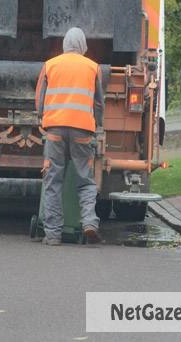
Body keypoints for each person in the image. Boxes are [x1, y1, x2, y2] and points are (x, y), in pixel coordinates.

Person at [35, 27, 104, 245]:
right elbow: (99, 102)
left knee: (53, 180)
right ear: (83, 46)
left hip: (55, 130)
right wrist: (97, 124)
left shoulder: (50, 65)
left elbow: (40, 99)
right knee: (85, 180)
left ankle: (53, 235)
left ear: (65, 44)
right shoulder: (93, 68)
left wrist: (42, 118)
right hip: (83, 130)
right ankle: (89, 223)